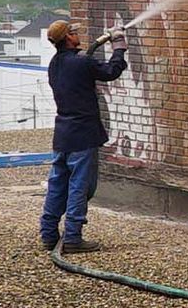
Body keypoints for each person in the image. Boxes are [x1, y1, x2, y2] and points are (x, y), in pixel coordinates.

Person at [40, 20, 128, 253]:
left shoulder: (55, 64)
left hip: (63, 135)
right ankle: (73, 238)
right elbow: (111, 72)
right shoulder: (81, 63)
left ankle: (48, 235)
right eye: (74, 32)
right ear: (67, 38)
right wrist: (119, 46)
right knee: (80, 186)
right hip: (83, 135)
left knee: (57, 185)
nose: (78, 34)